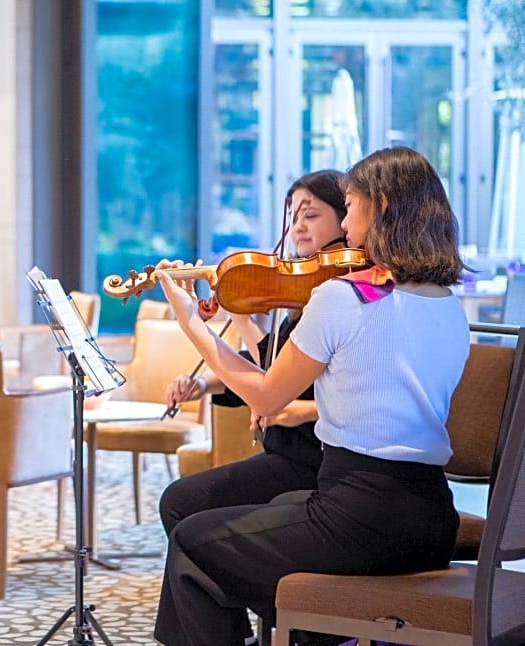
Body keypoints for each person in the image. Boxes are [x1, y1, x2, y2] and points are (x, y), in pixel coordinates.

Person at [152, 147, 469, 646]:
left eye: (349, 205)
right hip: (433, 518)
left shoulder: (342, 297)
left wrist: (192, 322)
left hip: (360, 516)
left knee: (193, 543)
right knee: (273, 507)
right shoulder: (451, 306)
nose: (345, 219)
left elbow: (265, 396)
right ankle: (307, 634)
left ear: (380, 206)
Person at [158, 169, 348, 548]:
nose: (298, 229)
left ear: (347, 219)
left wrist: (222, 319)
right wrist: (204, 382)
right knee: (182, 504)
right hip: (287, 451)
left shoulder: (338, 294)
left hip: (313, 459)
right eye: (292, 217)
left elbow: (279, 380)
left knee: (183, 507)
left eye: (310, 215)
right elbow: (273, 361)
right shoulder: (305, 289)